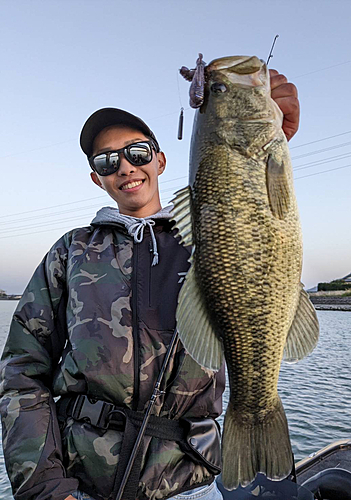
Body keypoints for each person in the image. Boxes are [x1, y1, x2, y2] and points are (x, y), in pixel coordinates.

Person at [0, 69, 299, 500]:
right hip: (81, 486)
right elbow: (22, 372)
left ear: (159, 160)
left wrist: (268, 149)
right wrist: (45, 486)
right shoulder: (71, 251)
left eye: (137, 152)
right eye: (107, 161)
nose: (125, 166)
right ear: (97, 178)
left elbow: (260, 233)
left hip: (190, 485)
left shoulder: (207, 238)